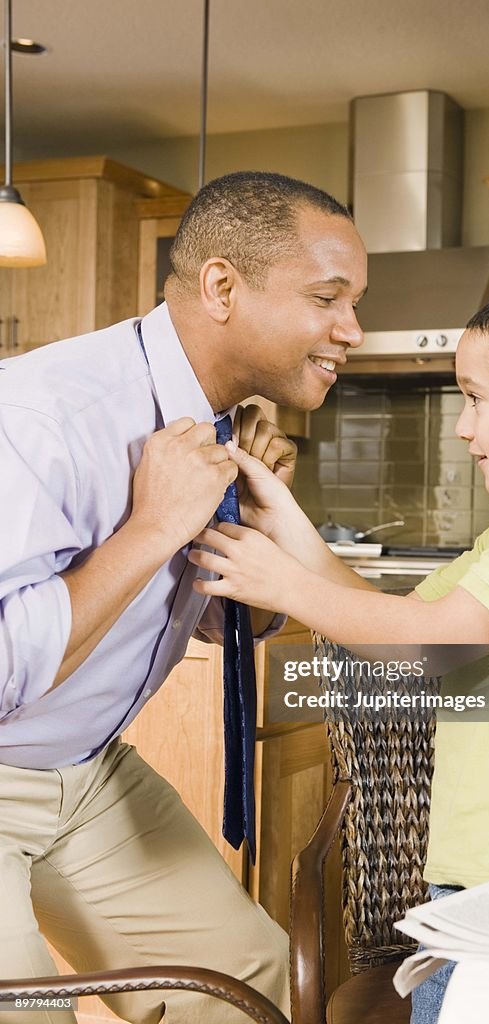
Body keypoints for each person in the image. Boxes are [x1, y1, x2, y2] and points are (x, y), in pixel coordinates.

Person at [188, 279, 489, 1024]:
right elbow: (394, 619)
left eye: (476, 399)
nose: (461, 427)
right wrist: (277, 516)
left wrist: (278, 584)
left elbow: (429, 645)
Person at [0, 170, 367, 1024]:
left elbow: (211, 621)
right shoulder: (41, 416)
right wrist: (151, 528)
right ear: (221, 287)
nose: (352, 329)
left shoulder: (218, 423)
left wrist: (250, 544)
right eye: (327, 297)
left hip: (85, 769)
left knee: (242, 977)